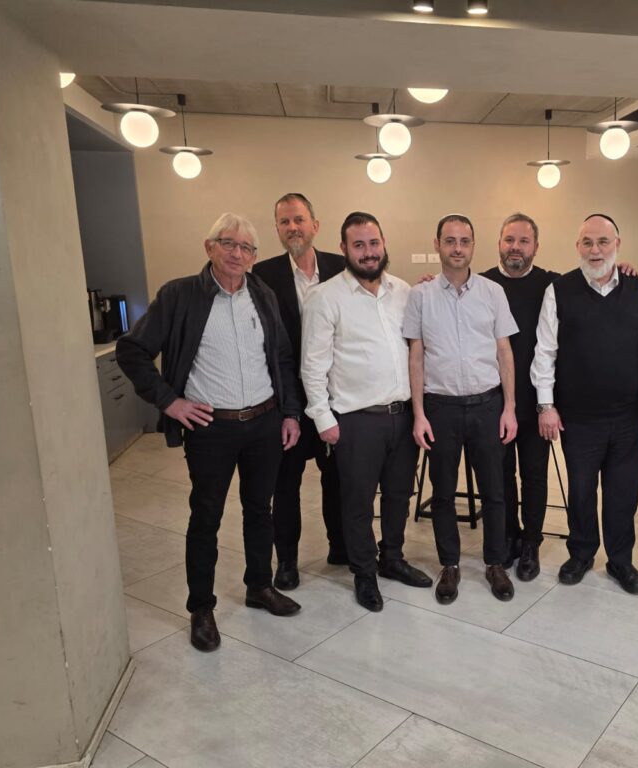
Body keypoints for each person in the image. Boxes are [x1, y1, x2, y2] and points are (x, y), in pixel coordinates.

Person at [116, 212, 302, 653]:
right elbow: (132, 350)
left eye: (246, 248)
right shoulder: (179, 295)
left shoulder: (263, 295)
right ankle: (201, 607)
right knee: (206, 518)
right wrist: (170, 401)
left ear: (254, 256)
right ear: (209, 247)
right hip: (211, 428)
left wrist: (291, 413)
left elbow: (282, 358)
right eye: (228, 243)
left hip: (264, 422)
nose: (237, 253)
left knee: (260, 510)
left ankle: (259, 585)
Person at [299, 212, 432, 612]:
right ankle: (364, 571)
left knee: (398, 494)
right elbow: (312, 365)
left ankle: (392, 558)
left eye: (374, 243)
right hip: (356, 420)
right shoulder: (325, 297)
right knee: (357, 502)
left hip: (402, 415)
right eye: (359, 245)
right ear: (344, 249)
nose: (368, 252)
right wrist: (323, 419)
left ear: (383, 243)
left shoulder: (403, 291)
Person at [530, 213, 638, 595]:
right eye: (587, 242)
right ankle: (581, 553)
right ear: (577, 246)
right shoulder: (559, 290)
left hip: (628, 416)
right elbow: (545, 351)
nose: (595, 250)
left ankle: (620, 560)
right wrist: (546, 406)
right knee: (581, 491)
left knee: (623, 492)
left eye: (603, 242)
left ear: (617, 244)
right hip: (578, 418)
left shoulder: (635, 286)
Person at [403, 214, 519, 605]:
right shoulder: (420, 296)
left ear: (473, 246)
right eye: (450, 240)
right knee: (442, 493)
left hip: (488, 405)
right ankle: (449, 564)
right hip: (440, 408)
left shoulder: (492, 292)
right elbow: (416, 356)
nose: (457, 248)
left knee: (495, 491)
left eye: (464, 241)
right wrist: (419, 413)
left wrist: (510, 407)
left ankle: (495, 562)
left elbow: (504, 352)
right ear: (437, 244)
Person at [252, 193, 346, 590]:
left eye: (299, 220)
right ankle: (287, 561)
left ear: (315, 225)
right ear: (277, 229)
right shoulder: (261, 275)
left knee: (338, 478)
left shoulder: (342, 267)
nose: (293, 227)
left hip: (335, 397)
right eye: (284, 222)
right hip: (287, 401)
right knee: (285, 484)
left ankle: (340, 546)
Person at [480, 213, 560, 581]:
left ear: (536, 247)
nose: (516, 247)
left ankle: (531, 542)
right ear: (499, 243)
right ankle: (508, 535)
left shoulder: (552, 284)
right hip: (492, 402)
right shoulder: (481, 284)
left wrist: (623, 268)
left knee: (534, 476)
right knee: (500, 476)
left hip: (536, 401)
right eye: (509, 240)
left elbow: (592, 280)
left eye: (523, 241)